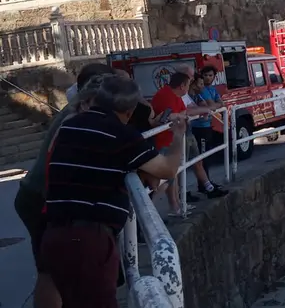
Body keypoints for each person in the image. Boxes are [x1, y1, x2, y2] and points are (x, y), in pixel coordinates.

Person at [38, 76, 187, 308]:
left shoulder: (69, 125)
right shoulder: (121, 135)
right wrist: (178, 136)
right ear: (128, 111)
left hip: (53, 233)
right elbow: (166, 170)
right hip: (89, 240)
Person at [14, 63, 116, 308]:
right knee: (50, 270)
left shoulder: (76, 113)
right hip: (39, 197)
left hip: (38, 195)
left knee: (55, 267)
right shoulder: (75, 118)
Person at [150, 71, 214, 215]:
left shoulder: (174, 95)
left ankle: (177, 205)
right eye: (188, 84)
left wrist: (203, 110)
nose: (188, 88)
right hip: (165, 141)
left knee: (173, 175)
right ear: (182, 85)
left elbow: (184, 111)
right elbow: (169, 116)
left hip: (172, 140)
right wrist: (181, 115)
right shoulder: (166, 96)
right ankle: (167, 208)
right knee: (166, 178)